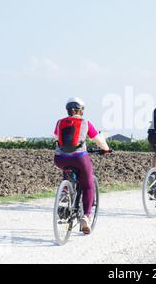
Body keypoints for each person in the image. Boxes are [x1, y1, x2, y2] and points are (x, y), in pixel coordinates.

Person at [53, 97, 110, 234]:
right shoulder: (86, 123)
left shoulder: (59, 122)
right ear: (81, 110)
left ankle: (65, 193)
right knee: (88, 184)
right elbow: (98, 141)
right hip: (79, 158)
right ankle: (86, 217)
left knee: (66, 169)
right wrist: (106, 149)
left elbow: (56, 139)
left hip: (60, 158)